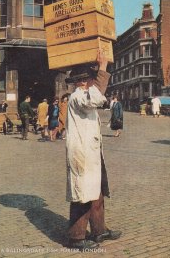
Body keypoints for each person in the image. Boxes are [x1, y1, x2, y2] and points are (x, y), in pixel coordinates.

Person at [65, 50, 122, 251]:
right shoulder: (77, 97)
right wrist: (103, 68)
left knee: (96, 191)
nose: (92, 82)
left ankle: (99, 230)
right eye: (91, 78)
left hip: (90, 151)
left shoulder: (83, 95)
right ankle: (76, 237)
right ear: (83, 81)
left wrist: (99, 70)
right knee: (82, 193)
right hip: (82, 153)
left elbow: (97, 98)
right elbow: (96, 99)